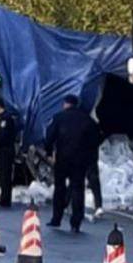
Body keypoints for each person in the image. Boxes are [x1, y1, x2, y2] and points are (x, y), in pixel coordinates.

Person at [45, 95, 101, 233]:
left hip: (62, 158)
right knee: (78, 189)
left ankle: (56, 218)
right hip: (80, 160)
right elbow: (95, 140)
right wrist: (90, 157)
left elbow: (49, 136)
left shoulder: (59, 117)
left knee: (60, 188)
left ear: (65, 104)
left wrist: (48, 152)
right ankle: (76, 222)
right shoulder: (87, 120)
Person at [0, 99, 17, 207]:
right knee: (3, 175)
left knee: (5, 175)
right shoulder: (5, 118)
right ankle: (4, 197)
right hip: (5, 150)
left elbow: (3, 136)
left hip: (5, 150)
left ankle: (5, 199)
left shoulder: (5, 119)